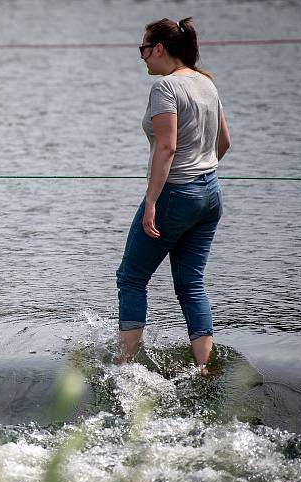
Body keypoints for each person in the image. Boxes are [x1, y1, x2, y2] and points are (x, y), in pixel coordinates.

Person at [115, 17, 231, 374]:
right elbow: (224, 143)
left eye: (144, 49)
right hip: (210, 193)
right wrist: (200, 171)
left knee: (131, 278)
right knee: (190, 282)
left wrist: (152, 202)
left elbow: (166, 148)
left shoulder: (165, 88)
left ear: (160, 49)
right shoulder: (206, 83)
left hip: (175, 193)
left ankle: (123, 367)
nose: (142, 57)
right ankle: (205, 367)